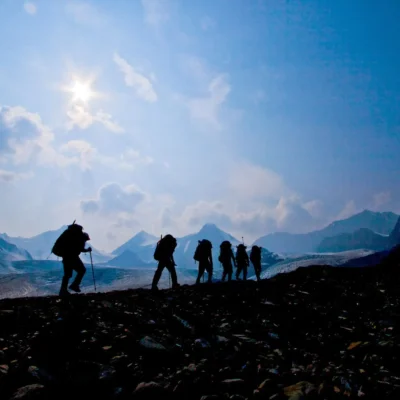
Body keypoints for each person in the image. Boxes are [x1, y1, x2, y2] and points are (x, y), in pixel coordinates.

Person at [52, 221, 92, 296]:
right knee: (82, 270)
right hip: (72, 257)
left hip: (66, 257)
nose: (86, 241)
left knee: (67, 275)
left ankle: (62, 291)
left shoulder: (72, 236)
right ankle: (74, 285)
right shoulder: (79, 238)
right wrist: (87, 250)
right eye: (86, 240)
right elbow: (80, 248)